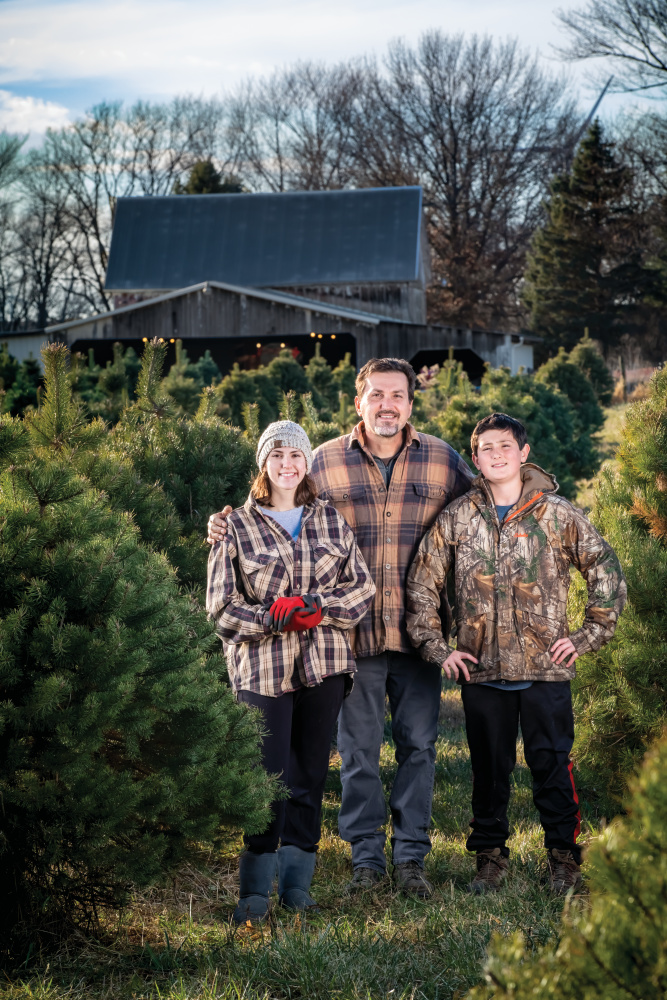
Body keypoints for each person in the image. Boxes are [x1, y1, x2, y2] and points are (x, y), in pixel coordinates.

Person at [208, 358, 473, 899]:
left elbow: (481, 512)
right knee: (358, 753)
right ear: (360, 402)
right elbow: (274, 495)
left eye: (397, 395)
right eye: (376, 394)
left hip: (418, 634)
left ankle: (412, 860)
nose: (386, 405)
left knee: (420, 748)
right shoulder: (324, 460)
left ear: (410, 403)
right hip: (350, 643)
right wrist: (220, 523)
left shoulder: (443, 460)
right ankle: (365, 861)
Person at [406, 412, 626, 895]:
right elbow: (422, 582)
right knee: (489, 769)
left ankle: (565, 860)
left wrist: (588, 635)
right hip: (482, 669)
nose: (497, 454)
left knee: (552, 765)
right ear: (476, 457)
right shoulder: (459, 516)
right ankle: (489, 859)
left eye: (505, 446)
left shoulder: (556, 513)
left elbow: (604, 569)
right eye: (486, 448)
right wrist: (438, 648)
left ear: (523, 452)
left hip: (546, 668)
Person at [206, 420, 375, 923]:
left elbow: (362, 589)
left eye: (296, 456)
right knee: (266, 776)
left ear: (307, 463)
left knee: (308, 775)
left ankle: (297, 886)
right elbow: (219, 608)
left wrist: (319, 607)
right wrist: (269, 618)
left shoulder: (329, 521)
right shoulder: (235, 526)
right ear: (264, 463)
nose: (287, 465)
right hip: (262, 671)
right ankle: (254, 891)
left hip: (324, 666)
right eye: (277, 455)